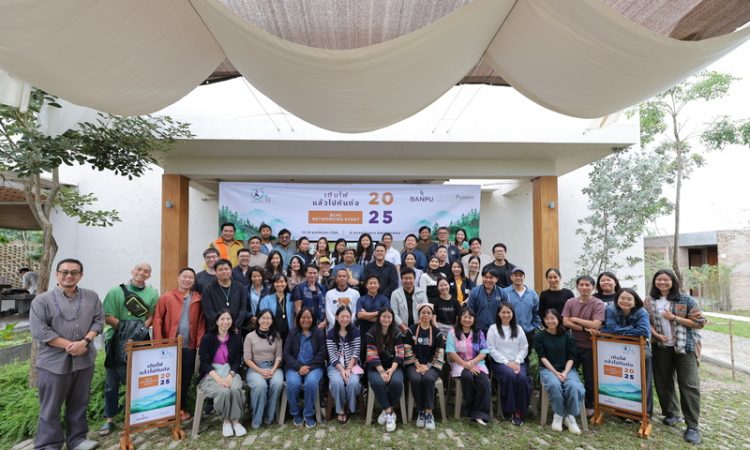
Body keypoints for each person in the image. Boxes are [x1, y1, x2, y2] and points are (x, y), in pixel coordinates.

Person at [30, 258, 103, 450]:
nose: (69, 276)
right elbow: (40, 331)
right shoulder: (41, 300)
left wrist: (85, 342)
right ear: (57, 274)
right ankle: (48, 445)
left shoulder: (91, 297)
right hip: (53, 362)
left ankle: (77, 440)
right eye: (64, 272)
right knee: (50, 407)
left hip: (84, 359)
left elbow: (98, 321)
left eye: (74, 272)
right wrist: (72, 346)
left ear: (81, 275)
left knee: (79, 402)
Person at [645, 269, 705, 445]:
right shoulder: (649, 300)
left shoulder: (686, 299)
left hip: (684, 347)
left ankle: (692, 426)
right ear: (654, 282)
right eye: (659, 280)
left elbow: (700, 322)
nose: (662, 283)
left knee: (689, 385)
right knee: (663, 381)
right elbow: (646, 321)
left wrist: (675, 318)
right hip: (661, 346)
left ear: (673, 281)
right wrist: (656, 335)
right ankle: (672, 413)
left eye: (666, 280)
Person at [100, 262, 158, 436]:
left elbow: (152, 316)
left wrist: (139, 332)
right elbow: (107, 316)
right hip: (116, 338)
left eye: (146, 271)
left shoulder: (153, 293)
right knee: (112, 381)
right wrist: (127, 331)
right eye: (139, 269)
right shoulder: (116, 291)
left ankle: (135, 415)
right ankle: (109, 419)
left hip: (141, 338)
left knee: (140, 379)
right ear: (132, 271)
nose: (142, 273)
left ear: (149, 275)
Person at [153, 267, 206, 421]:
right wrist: (159, 343)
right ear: (178, 278)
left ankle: (180, 409)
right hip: (169, 347)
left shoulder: (198, 298)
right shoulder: (166, 297)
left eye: (190, 278)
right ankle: (165, 411)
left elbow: (201, 323)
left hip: (189, 347)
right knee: (168, 379)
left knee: (185, 379)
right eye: (184, 277)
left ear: (194, 281)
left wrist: (199, 343)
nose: (187, 280)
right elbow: (157, 320)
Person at [601, 287, 653, 418]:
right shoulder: (611, 309)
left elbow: (644, 331)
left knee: (644, 381)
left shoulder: (641, 312)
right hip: (618, 352)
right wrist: (631, 329)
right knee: (621, 381)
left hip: (640, 350)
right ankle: (623, 411)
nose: (625, 301)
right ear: (617, 299)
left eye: (629, 299)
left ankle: (644, 413)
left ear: (635, 302)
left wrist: (620, 331)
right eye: (622, 298)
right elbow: (609, 329)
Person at [535, 308, 585, 435]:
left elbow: (572, 357)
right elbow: (542, 357)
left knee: (574, 386)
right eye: (547, 319)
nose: (550, 321)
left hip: (567, 369)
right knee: (554, 384)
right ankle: (558, 414)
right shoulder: (539, 336)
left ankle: (570, 417)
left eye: (553, 318)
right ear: (543, 320)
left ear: (558, 319)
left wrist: (565, 372)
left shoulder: (567, 336)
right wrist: (555, 372)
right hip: (548, 369)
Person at [562, 275, 605, 417]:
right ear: (577, 286)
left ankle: (589, 404)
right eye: (581, 285)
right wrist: (584, 328)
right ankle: (568, 403)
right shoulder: (570, 302)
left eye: (587, 285)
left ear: (593, 287)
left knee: (590, 377)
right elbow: (565, 322)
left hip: (590, 346)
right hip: (572, 344)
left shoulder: (598, 303)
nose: (584, 287)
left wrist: (575, 319)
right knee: (568, 374)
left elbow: (596, 324)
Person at [199, 310, 246, 437]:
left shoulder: (236, 338)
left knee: (235, 389)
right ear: (217, 321)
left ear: (232, 321)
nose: (225, 322)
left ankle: (236, 422)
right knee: (224, 391)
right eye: (222, 319)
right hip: (212, 374)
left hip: (230, 372)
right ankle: (226, 421)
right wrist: (219, 380)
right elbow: (205, 363)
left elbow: (237, 360)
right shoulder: (207, 338)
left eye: (228, 319)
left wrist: (230, 376)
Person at [487, 302, 531, 426]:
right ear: (498, 314)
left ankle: (519, 411)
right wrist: (507, 362)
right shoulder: (493, 329)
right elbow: (491, 349)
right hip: (500, 363)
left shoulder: (518, 329)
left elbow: (524, 347)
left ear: (512, 314)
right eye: (503, 312)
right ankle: (509, 410)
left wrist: (516, 361)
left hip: (518, 362)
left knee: (522, 377)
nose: (506, 315)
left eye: (508, 312)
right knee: (510, 375)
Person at [445, 307, 491, 426]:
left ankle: (480, 414)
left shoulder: (478, 333)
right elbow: (451, 352)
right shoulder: (452, 333)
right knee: (467, 377)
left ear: (474, 319)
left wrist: (472, 363)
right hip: (459, 364)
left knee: (484, 381)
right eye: (464, 316)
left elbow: (484, 351)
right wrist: (466, 364)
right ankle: (471, 409)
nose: (467, 319)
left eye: (470, 317)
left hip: (477, 363)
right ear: (459, 318)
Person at [404, 303, 445, 430]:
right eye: (423, 312)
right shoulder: (411, 330)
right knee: (415, 379)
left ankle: (429, 413)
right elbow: (407, 349)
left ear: (432, 315)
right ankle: (421, 411)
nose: (426, 315)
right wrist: (417, 364)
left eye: (428, 313)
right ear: (419, 315)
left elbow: (440, 353)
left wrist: (427, 366)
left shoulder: (437, 333)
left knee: (428, 379)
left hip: (432, 366)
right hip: (413, 364)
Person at [284, 307, 326, 428]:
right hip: (294, 367)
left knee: (311, 383)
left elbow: (322, 353)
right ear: (298, 319)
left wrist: (308, 367)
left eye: (309, 317)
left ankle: (308, 414)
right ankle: (296, 413)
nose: (306, 320)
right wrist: (299, 367)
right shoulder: (292, 332)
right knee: (293, 384)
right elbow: (286, 353)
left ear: (313, 319)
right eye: (303, 317)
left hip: (314, 367)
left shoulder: (319, 333)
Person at [365, 307, 405, 433]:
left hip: (393, 366)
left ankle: (386, 410)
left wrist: (391, 370)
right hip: (375, 367)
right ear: (379, 318)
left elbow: (400, 353)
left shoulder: (397, 332)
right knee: (377, 382)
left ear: (392, 319)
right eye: (384, 316)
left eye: (389, 317)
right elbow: (372, 355)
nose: (386, 319)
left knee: (397, 382)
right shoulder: (371, 333)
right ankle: (389, 412)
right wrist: (382, 371)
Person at [243, 309, 283, 429]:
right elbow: (247, 359)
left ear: (272, 320)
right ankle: (257, 419)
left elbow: (279, 356)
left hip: (273, 367)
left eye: (268, 318)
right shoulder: (250, 336)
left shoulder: (276, 336)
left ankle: (269, 418)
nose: (266, 320)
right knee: (260, 386)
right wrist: (260, 371)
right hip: (255, 368)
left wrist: (273, 369)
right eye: (263, 318)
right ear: (258, 320)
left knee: (277, 383)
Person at [326, 306, 363, 423]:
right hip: (335, 367)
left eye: (347, 316)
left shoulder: (355, 331)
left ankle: (350, 407)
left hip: (352, 365)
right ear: (337, 317)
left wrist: (349, 368)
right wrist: (342, 370)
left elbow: (356, 352)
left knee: (353, 383)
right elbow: (332, 355)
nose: (345, 319)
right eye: (342, 316)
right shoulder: (330, 333)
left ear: (351, 317)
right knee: (337, 382)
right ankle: (341, 409)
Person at [201, 259, 249, 333]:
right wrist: (222, 326)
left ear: (231, 271)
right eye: (220, 270)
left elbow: (243, 309)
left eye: (226, 269)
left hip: (235, 329)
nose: (224, 271)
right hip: (216, 329)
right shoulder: (208, 289)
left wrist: (234, 325)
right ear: (215, 272)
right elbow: (209, 312)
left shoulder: (240, 287)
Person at [503, 267, 540, 355]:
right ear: (511, 277)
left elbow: (536, 312)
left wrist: (535, 327)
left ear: (524, 277)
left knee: (526, 356)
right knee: (510, 356)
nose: (518, 277)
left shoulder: (532, 294)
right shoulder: (505, 292)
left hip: (528, 332)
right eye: (516, 275)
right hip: (509, 332)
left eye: (520, 275)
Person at [467, 266, 509, 333]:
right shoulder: (474, 292)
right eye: (486, 277)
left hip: (497, 330)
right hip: (478, 330)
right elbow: (470, 311)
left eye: (491, 277)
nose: (488, 280)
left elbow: (506, 312)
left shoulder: (503, 293)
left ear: (496, 279)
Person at [391, 267, 428, 335]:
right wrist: (404, 327)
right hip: (400, 330)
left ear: (414, 279)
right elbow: (394, 313)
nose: (408, 281)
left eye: (410, 278)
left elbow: (425, 311)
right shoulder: (395, 294)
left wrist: (417, 327)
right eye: (405, 278)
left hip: (419, 329)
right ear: (401, 279)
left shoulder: (421, 293)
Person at [258, 273, 295, 341]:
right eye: (277, 282)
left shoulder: (292, 298)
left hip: (289, 333)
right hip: (272, 333)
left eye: (282, 282)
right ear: (273, 284)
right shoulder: (266, 299)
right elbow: (262, 318)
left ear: (286, 283)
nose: (279, 284)